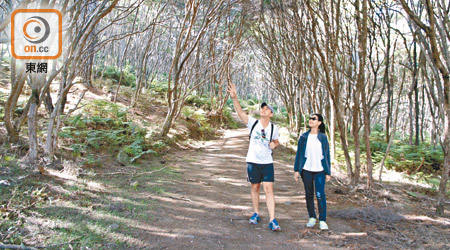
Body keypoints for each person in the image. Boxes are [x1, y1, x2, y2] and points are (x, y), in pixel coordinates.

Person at [227, 83, 281, 231]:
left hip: (267, 162)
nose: (263, 110)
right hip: (252, 161)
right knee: (255, 187)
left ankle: (272, 219)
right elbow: (240, 113)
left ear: (271, 114)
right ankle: (256, 213)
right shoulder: (253, 123)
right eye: (262, 108)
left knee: (269, 189)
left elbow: (276, 141)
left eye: (266, 109)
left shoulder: (274, 128)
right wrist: (235, 97)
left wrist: (274, 145)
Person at [293, 113, 331, 231]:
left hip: (319, 170)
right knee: (309, 194)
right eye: (310, 118)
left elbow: (326, 155)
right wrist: (296, 170)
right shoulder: (304, 137)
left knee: (320, 195)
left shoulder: (323, 138)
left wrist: (328, 171)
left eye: (314, 119)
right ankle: (312, 217)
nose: (311, 120)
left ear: (319, 122)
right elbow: (299, 154)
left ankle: (323, 220)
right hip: (306, 170)